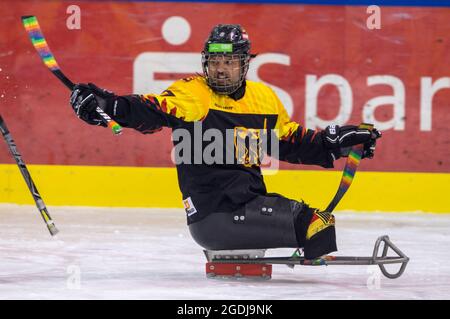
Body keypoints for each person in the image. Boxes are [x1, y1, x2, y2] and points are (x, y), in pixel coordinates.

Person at [69, 24, 381, 259]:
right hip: (214, 216)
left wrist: (335, 143)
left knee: (320, 226)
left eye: (229, 61)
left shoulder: (264, 99)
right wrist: (109, 105)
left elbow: (290, 141)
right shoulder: (194, 93)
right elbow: (152, 109)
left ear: (245, 63)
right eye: (215, 61)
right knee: (316, 225)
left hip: (248, 204)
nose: (220, 68)